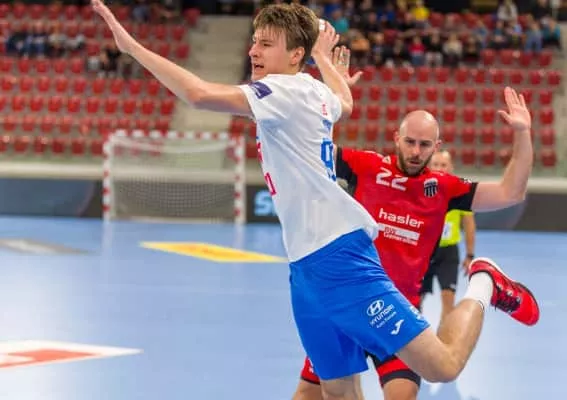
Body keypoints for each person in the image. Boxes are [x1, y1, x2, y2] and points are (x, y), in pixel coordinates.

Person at [92, 2, 539, 399]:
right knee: (337, 392)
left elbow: (198, 94)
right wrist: (325, 62)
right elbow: (344, 101)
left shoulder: (282, 91)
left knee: (442, 366)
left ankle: (484, 282)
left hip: (340, 258)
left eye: (266, 44)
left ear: (294, 57)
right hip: (305, 266)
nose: (253, 51)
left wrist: (131, 47)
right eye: (254, 41)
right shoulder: (314, 91)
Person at [420, 150, 477, 322]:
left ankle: (443, 338)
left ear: (451, 167)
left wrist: (470, 255)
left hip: (448, 253)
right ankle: (415, 336)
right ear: (429, 167)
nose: (439, 168)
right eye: (435, 164)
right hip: (424, 252)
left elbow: (469, 224)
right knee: (415, 300)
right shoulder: (420, 188)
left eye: (443, 165)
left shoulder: (460, 191)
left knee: (448, 299)